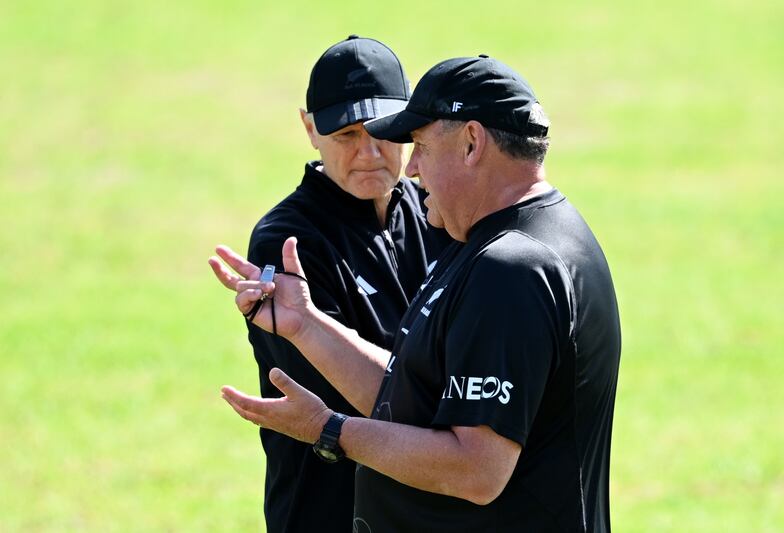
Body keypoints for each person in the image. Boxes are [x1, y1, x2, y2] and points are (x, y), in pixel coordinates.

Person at [212, 55, 621, 532]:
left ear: (472, 142)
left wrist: (330, 429)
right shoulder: (512, 238)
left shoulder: (511, 269)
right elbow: (419, 401)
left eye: (421, 145)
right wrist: (306, 322)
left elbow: (477, 470)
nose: (411, 170)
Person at [209, 36, 449, 533]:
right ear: (309, 128)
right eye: (345, 135)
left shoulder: (436, 212)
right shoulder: (286, 244)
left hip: (422, 508)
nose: (369, 153)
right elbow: (359, 403)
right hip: (330, 512)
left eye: (383, 131)